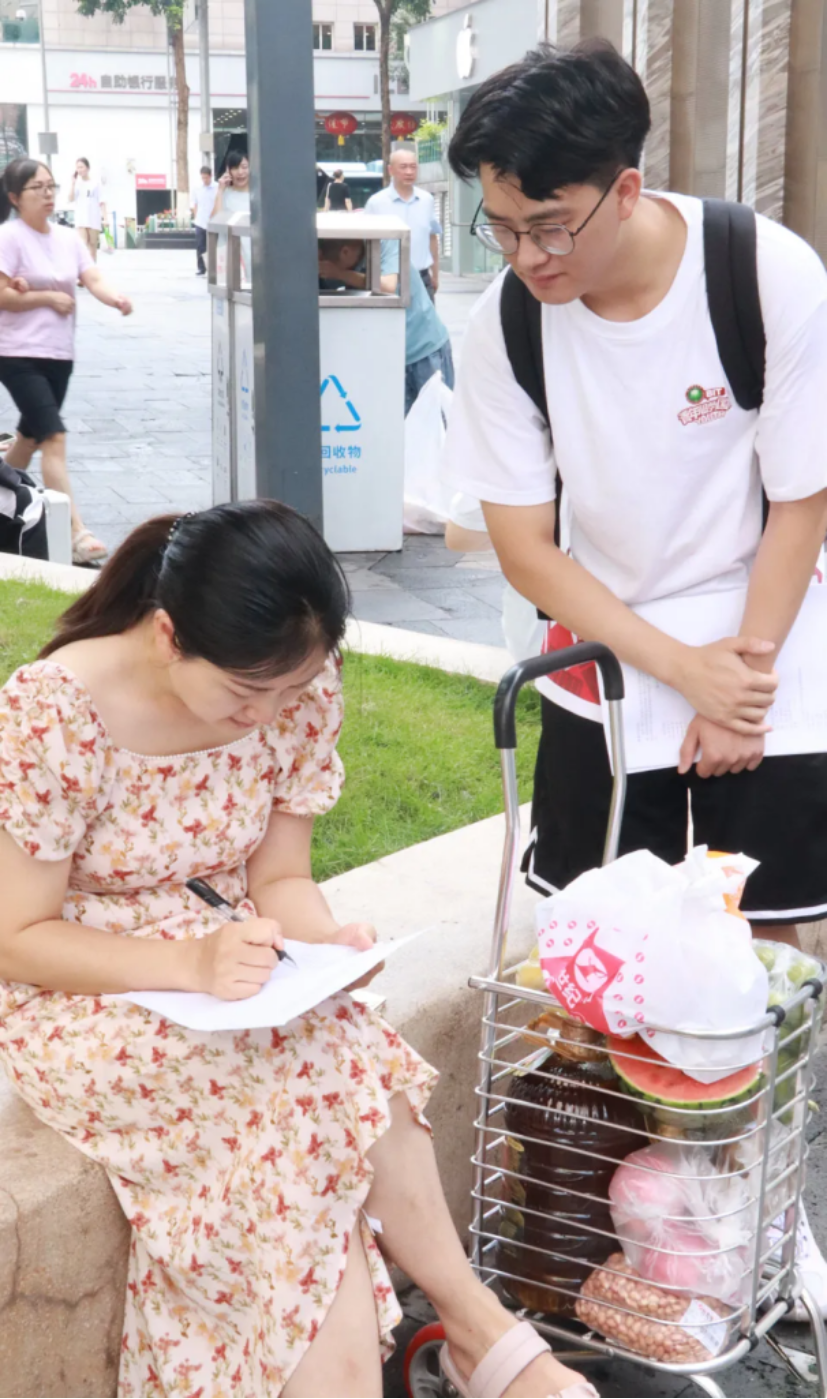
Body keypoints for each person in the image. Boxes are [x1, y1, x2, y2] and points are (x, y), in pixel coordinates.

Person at [0, 498, 598, 1399]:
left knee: (328, 1052)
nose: (269, 715)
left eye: (290, 692)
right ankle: (477, 1328)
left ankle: (464, 1324)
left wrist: (324, 941)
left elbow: (279, 877)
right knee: (327, 1072)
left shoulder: (297, 685)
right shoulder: (55, 712)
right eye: (247, 695)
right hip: (81, 994)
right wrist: (188, 965)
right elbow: (17, 939)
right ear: (167, 635)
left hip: (232, 965)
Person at [444, 39, 827, 1313]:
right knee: (594, 950)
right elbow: (524, 546)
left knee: (757, 952)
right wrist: (677, 675)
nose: (526, 256)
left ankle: (754, 1212)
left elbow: (800, 500)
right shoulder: (505, 322)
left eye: (548, 224)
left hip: (771, 635)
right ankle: (609, 1234)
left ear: (625, 185)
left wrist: (739, 683)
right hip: (604, 656)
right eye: (500, 227)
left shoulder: (759, 273)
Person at [0, 157, 132, 565]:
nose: (47, 194)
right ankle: (76, 532)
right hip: (17, 354)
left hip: (59, 355)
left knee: (29, 440)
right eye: (37, 188)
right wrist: (46, 298)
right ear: (15, 197)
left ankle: (3, 507)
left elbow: (92, 277)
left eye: (51, 186)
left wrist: (115, 298)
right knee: (54, 437)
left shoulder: (67, 238)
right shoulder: (9, 237)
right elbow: (2, 295)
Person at [318, 237, 454, 413]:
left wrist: (340, 273)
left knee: (437, 419)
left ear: (345, 252)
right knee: (399, 425)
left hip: (424, 349)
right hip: (389, 358)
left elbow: (388, 286)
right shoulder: (337, 266)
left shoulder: (385, 242)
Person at [365, 146, 442, 300]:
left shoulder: (426, 200)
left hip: (422, 278)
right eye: (403, 167)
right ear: (390, 170)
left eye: (413, 167)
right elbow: (366, 243)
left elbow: (431, 237)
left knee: (426, 317)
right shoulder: (376, 202)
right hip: (388, 279)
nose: (409, 172)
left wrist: (435, 275)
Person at [213, 150, 251, 279]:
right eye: (235, 168)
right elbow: (215, 221)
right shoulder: (225, 194)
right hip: (230, 254)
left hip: (253, 254)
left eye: (244, 167)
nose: (240, 172)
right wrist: (220, 190)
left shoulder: (258, 195)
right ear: (228, 171)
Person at [68, 157, 105, 262]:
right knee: (83, 244)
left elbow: (102, 201)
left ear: (88, 168)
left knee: (92, 245)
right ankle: (84, 268)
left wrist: (105, 218)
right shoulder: (77, 184)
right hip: (81, 218)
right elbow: (70, 198)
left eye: (81, 167)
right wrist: (73, 183)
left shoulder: (96, 183)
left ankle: (92, 268)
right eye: (77, 167)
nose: (79, 170)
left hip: (93, 217)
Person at [191, 163, 217, 277]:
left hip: (213, 220)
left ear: (211, 176)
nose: (205, 180)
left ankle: (213, 268)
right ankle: (201, 268)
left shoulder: (217, 187)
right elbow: (195, 204)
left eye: (206, 177)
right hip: (200, 221)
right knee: (200, 245)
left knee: (213, 246)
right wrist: (196, 216)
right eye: (203, 178)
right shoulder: (197, 188)